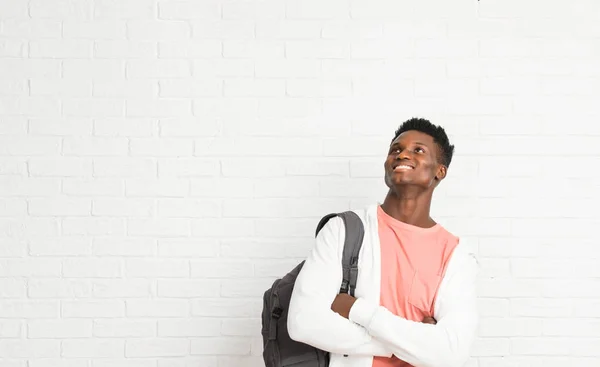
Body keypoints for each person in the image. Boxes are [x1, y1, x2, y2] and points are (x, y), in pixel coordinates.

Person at [287, 118, 479, 367]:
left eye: (417, 150)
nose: (402, 155)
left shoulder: (455, 254)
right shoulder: (344, 230)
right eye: (396, 150)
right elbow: (303, 322)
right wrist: (415, 344)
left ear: (439, 171)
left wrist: (357, 310)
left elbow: (452, 353)